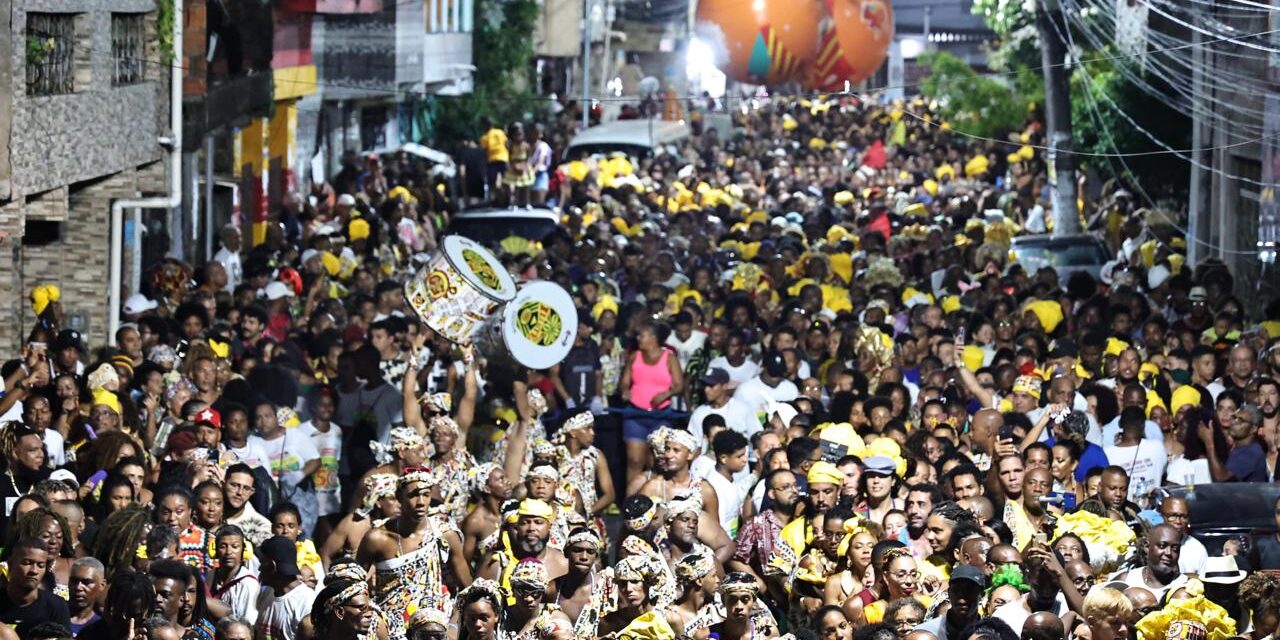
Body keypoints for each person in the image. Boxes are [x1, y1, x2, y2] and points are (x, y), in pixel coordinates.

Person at [0, 538, 71, 635]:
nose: (34, 571)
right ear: (11, 564)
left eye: (40, 565)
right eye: (27, 563)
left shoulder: (56, 607)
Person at [255, 535, 316, 640]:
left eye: (262, 563)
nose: (259, 568)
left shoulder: (307, 602)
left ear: (272, 566)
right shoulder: (267, 593)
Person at [1109, 524, 1184, 599]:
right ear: (1147, 546)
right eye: (1162, 546)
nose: (1168, 553)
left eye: (1175, 549)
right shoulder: (1125, 581)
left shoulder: (1186, 586)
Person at [914, 566, 986, 640]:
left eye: (969, 590)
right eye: (957, 589)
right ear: (949, 592)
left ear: (982, 595)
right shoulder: (925, 634)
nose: (962, 597)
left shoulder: (992, 634)